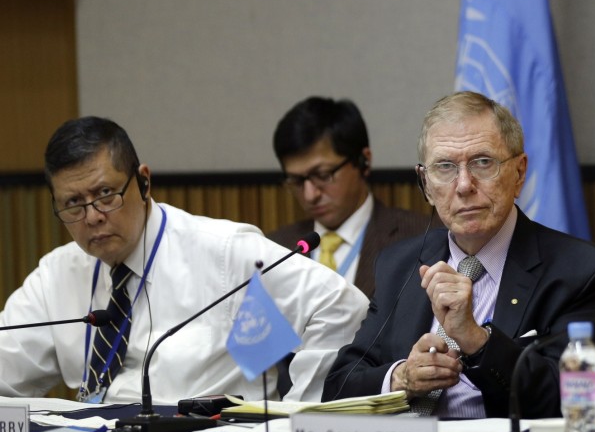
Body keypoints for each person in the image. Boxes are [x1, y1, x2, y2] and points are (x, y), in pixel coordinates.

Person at [0, 117, 369, 404]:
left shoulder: (223, 252)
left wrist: (297, 415)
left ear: (143, 182)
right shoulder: (58, 273)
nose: (93, 215)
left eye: (105, 194)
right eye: (73, 204)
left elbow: (340, 305)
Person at [322, 91, 595, 418]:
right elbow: (338, 386)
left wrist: (477, 340)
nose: (464, 185)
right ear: (425, 184)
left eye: (483, 162)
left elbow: (568, 402)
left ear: (519, 173)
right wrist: (400, 378)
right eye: (445, 167)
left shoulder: (583, 274)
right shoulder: (400, 265)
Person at [269, 96, 429, 299]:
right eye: (296, 181)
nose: (310, 195)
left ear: (364, 161)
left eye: (323, 175)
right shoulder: (274, 250)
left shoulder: (422, 238)